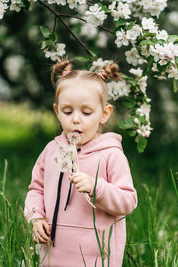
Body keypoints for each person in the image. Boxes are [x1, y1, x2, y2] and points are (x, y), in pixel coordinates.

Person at [24, 59, 137, 267]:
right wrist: (36, 217)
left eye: (86, 113)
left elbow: (128, 200)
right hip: (53, 252)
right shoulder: (52, 151)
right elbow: (36, 189)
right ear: (57, 111)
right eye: (68, 112)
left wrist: (97, 187)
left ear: (104, 114)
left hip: (96, 255)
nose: (76, 120)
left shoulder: (110, 154)